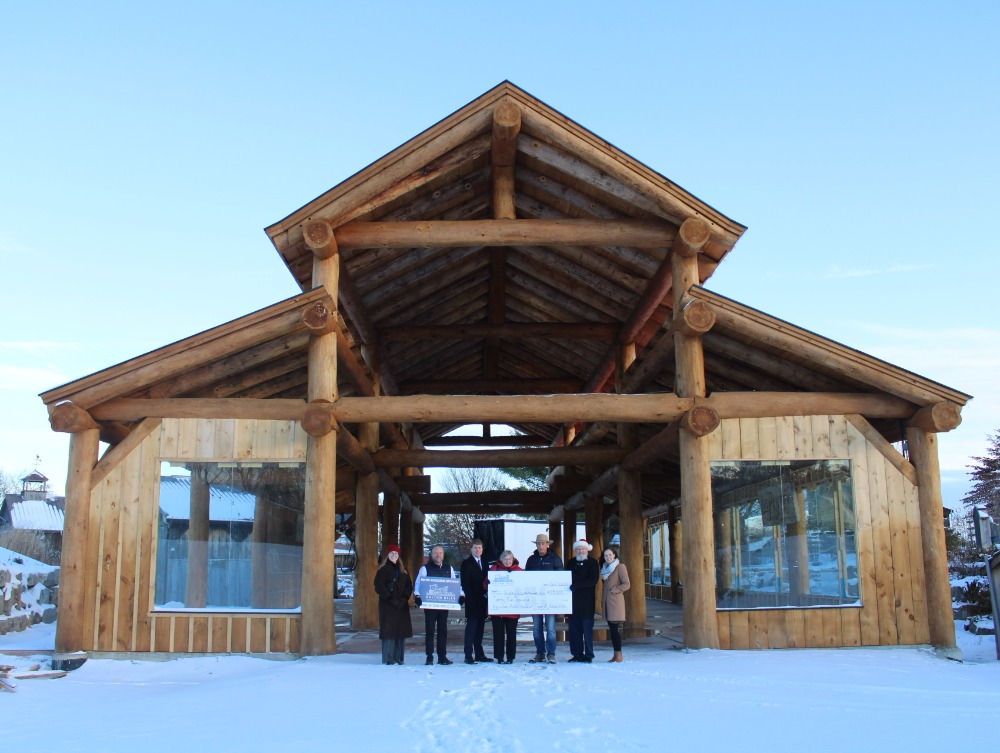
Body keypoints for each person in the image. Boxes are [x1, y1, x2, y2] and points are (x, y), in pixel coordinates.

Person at [412, 544, 456, 665]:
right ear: (432, 555)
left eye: (440, 553)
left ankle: (442, 657)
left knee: (443, 631)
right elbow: (418, 585)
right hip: (430, 605)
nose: (438, 555)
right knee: (430, 631)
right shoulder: (425, 569)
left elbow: (455, 584)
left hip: (443, 605)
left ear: (443, 554)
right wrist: (417, 596)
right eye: (436, 553)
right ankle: (429, 656)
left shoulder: (449, 568)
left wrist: (460, 595)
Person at [524, 532, 562, 663]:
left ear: (547, 544)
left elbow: (561, 578)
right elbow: (525, 578)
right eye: (538, 544)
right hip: (535, 600)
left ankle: (551, 653)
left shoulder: (555, 559)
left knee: (551, 629)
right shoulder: (531, 560)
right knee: (537, 629)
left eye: (543, 543)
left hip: (550, 600)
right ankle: (540, 653)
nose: (541, 546)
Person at [373, 544, 413, 665]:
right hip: (388, 605)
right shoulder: (382, 570)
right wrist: (390, 598)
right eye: (391, 554)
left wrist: (404, 599)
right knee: (389, 633)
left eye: (396, 554)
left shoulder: (403, 571)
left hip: (401, 606)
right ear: (388, 556)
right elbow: (378, 586)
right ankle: (388, 658)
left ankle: (399, 657)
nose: (394, 555)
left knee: (401, 633)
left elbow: (409, 586)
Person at [565, 539, 599, 663]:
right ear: (575, 550)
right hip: (572, 603)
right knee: (574, 632)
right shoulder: (570, 562)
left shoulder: (593, 563)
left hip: (587, 603)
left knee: (587, 631)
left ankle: (589, 655)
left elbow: (593, 580)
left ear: (587, 550)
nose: (580, 551)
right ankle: (577, 654)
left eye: (582, 549)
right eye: (578, 549)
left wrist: (577, 585)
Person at [459, 539, 492, 664]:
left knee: (480, 630)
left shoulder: (484, 561)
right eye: (475, 548)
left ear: (482, 549)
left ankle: (479, 654)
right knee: (471, 630)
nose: (478, 550)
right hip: (472, 601)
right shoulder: (466, 564)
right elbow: (465, 584)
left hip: (483, 600)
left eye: (479, 547)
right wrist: (469, 599)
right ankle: (468, 655)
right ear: (471, 549)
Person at [487, 550, 522, 664]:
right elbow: (485, 584)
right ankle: (500, 657)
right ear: (501, 560)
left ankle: (511, 657)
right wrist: (487, 583)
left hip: (512, 610)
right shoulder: (494, 569)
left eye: (509, 559)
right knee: (498, 634)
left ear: (513, 560)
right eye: (505, 559)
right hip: (498, 610)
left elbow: (526, 584)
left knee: (511, 634)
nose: (507, 561)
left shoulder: (519, 571)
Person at [601, 545, 630, 662]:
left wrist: (616, 589)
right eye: (605, 555)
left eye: (610, 555)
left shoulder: (620, 567)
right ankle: (616, 654)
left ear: (614, 555)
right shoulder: (604, 568)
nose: (608, 557)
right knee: (612, 629)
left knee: (614, 629)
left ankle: (618, 654)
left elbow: (627, 584)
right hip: (608, 602)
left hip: (616, 602)